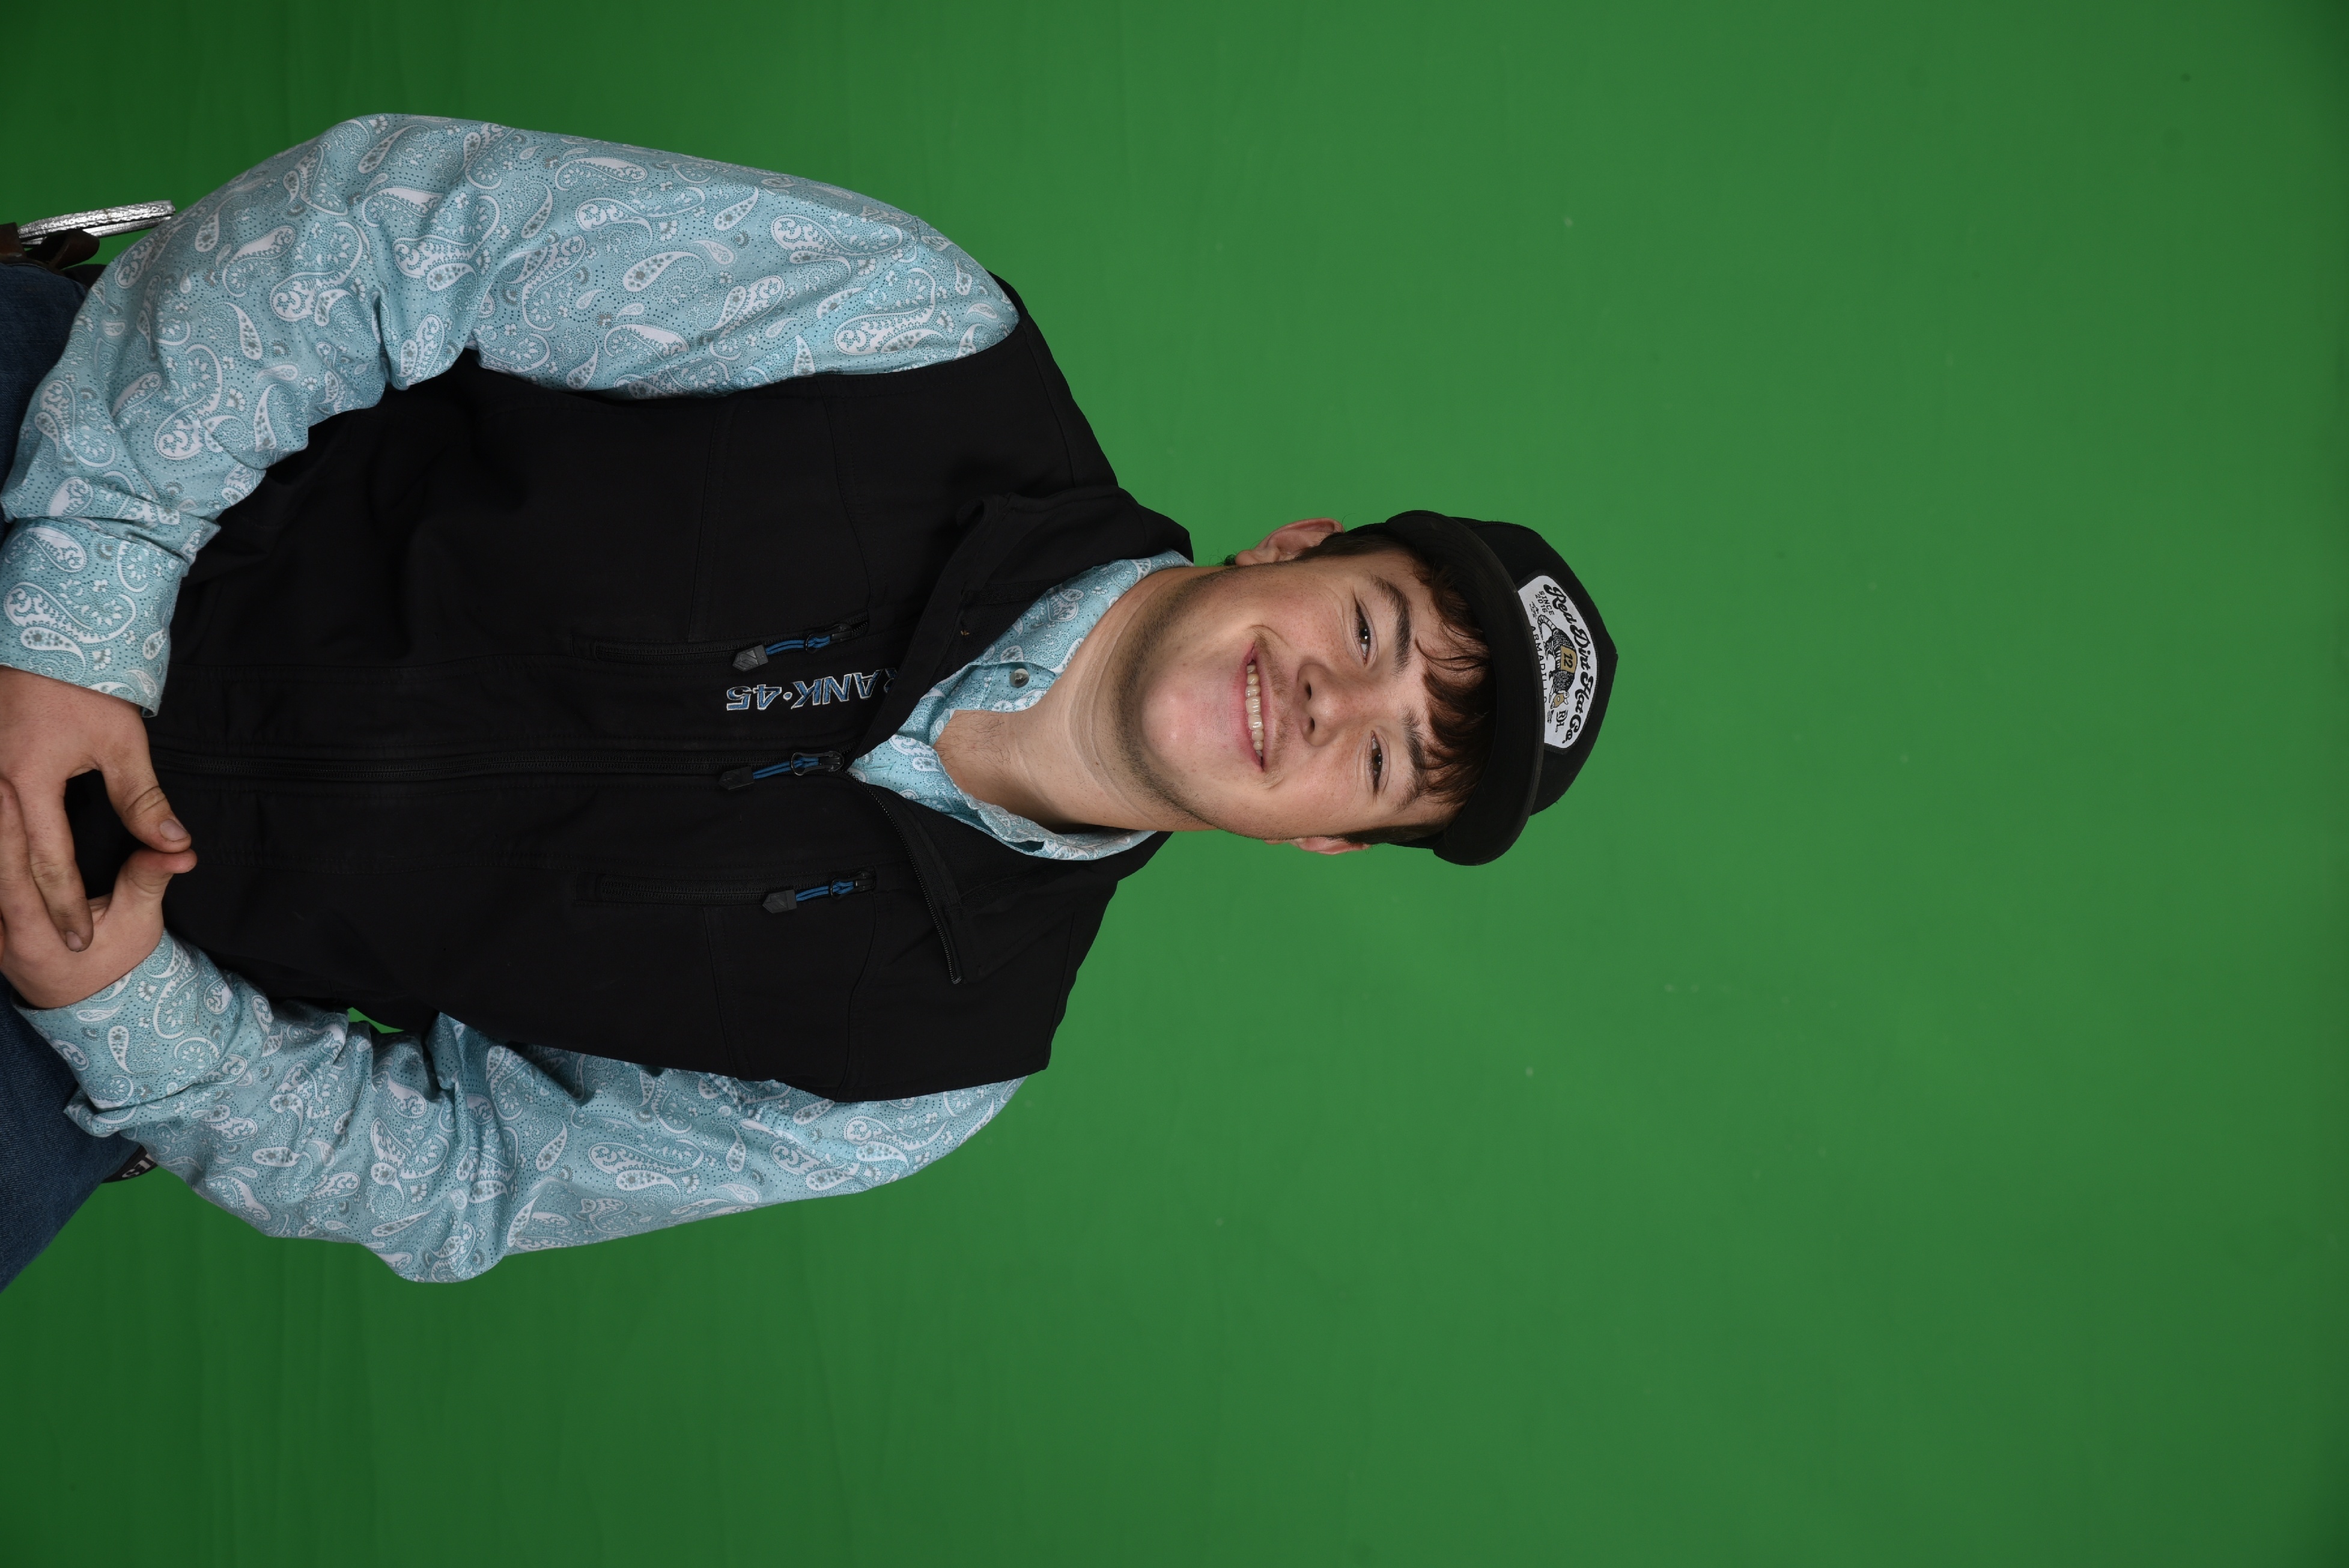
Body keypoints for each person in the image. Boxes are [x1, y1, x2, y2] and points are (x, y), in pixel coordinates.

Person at [0, 114, 1614, 1286]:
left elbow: (460, 1177)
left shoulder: (923, 1072)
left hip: (83, 975)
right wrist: (75, 618)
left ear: (1327, 839)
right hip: (75, 469)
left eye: (1385, 762)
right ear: (1301, 546)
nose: (1329, 702)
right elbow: (393, 227)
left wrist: (118, 1000)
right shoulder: (913, 336)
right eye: (1371, 627)